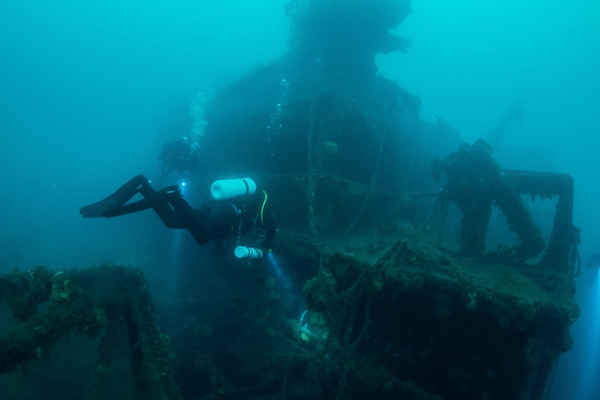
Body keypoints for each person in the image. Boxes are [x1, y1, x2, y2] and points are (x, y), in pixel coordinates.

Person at [80, 175, 278, 256]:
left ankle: (143, 186)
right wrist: (266, 247)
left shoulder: (251, 215)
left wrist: (221, 243)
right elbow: (271, 228)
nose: (257, 237)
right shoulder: (265, 214)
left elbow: (225, 231)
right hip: (226, 210)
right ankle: (174, 197)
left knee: (173, 221)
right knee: (202, 237)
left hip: (216, 208)